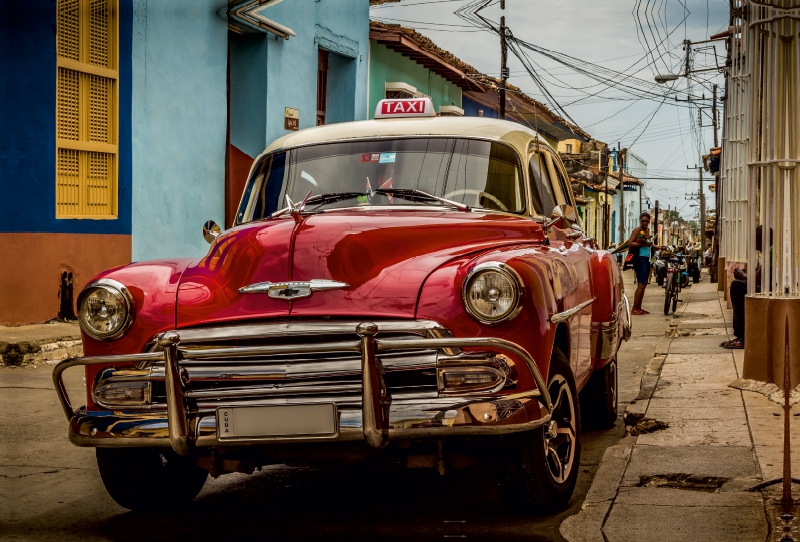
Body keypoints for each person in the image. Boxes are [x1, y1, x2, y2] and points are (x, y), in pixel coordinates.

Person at [721, 226, 772, 349]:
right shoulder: (766, 253)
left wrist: (743, 275)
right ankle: (739, 336)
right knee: (737, 287)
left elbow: (755, 279)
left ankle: (743, 337)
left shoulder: (771, 251)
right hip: (764, 287)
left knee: (737, 287)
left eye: (757, 240)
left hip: (769, 290)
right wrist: (744, 274)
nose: (754, 244)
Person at [628, 211, 653, 315]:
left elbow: (647, 245)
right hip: (640, 259)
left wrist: (654, 246)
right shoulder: (637, 230)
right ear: (640, 221)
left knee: (644, 284)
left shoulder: (647, 230)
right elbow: (630, 243)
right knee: (641, 284)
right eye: (643, 221)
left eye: (646, 221)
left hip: (647, 259)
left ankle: (639, 307)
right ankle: (634, 308)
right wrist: (644, 243)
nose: (645, 223)